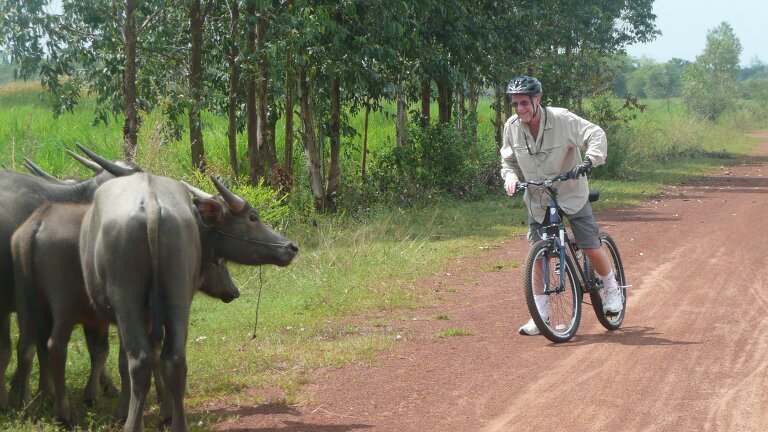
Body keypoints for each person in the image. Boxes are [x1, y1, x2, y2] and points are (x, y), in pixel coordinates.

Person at [499, 75, 623, 336]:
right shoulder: (512, 127)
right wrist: (510, 176)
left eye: (524, 102)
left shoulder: (562, 119)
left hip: (570, 191)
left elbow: (595, 133)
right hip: (538, 197)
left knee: (589, 244)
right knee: (539, 258)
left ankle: (612, 289)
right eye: (515, 104)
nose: (519, 109)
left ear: (537, 99)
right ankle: (540, 315)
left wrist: (589, 160)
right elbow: (508, 160)